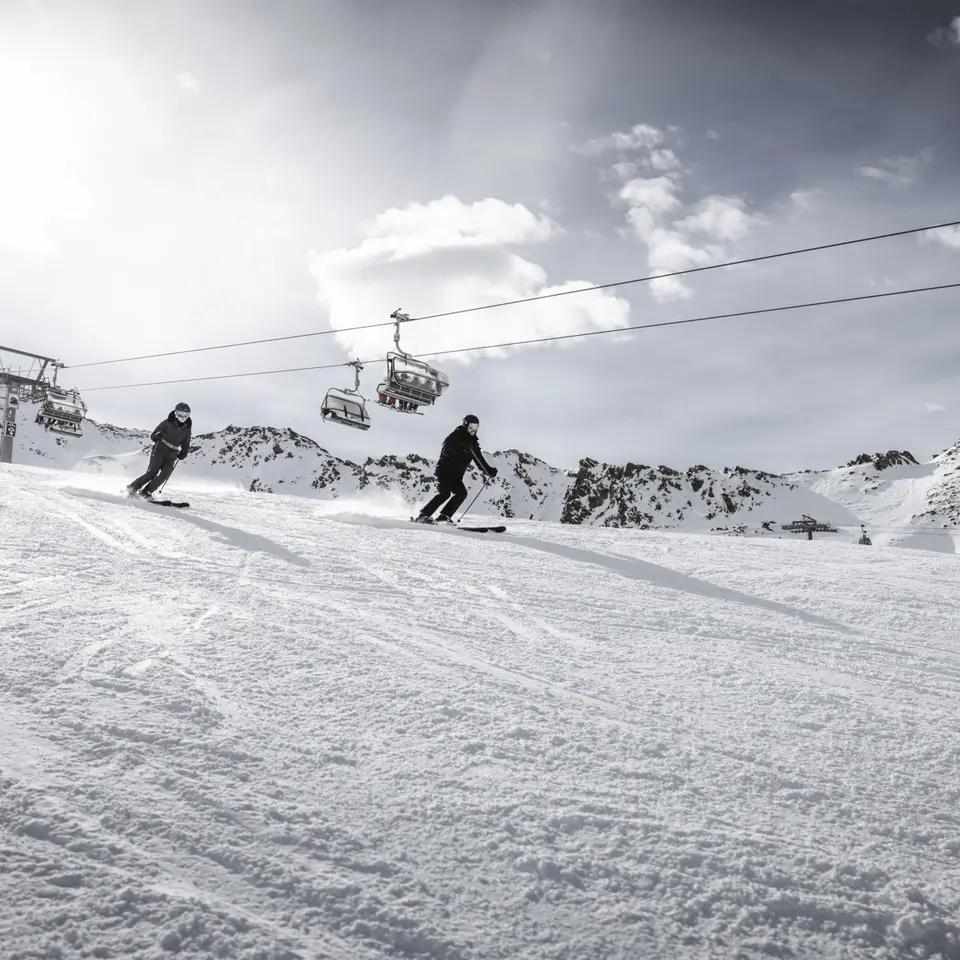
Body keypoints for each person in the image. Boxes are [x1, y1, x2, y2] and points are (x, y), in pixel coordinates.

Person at [415, 414, 498, 524]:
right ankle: (423, 516)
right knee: (444, 494)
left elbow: (479, 460)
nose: (474, 430)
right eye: (471, 427)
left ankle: (443, 517)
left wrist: (489, 470)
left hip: (456, 475)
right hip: (444, 471)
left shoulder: (473, 443)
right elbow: (446, 451)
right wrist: (462, 448)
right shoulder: (456, 436)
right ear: (465, 425)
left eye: (476, 427)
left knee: (461, 493)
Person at [127, 402, 192, 499]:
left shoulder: (187, 429)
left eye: (185, 415)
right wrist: (157, 436)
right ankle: (132, 487)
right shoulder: (167, 423)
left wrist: (184, 452)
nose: (183, 417)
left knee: (165, 474)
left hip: (172, 454)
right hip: (160, 449)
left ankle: (146, 492)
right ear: (175, 413)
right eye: (180, 414)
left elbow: (186, 443)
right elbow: (154, 435)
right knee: (152, 473)